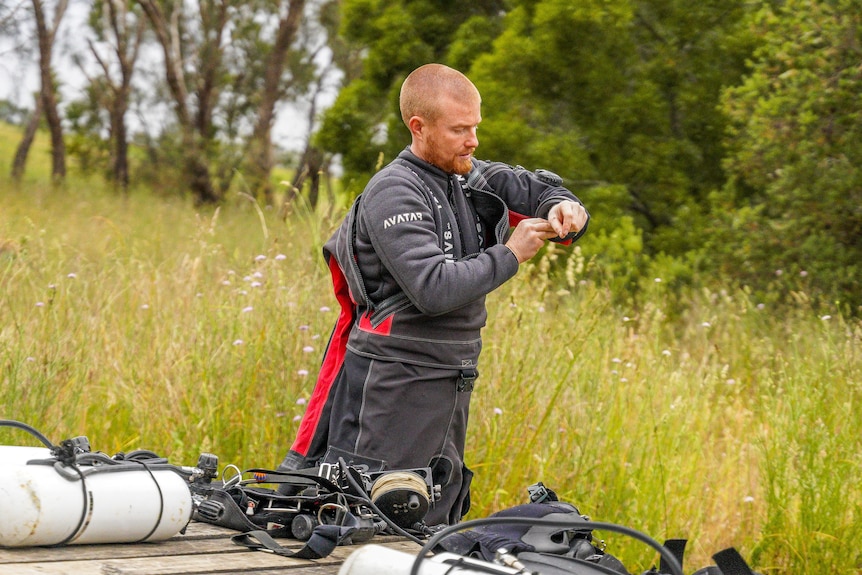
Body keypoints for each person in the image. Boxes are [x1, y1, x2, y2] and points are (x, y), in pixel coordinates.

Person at [276, 63, 590, 526]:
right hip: (391, 386)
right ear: (418, 128)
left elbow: (532, 188)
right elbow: (433, 288)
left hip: (453, 378)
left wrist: (566, 207)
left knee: (433, 523)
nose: (473, 141)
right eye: (460, 129)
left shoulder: (468, 175)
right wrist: (511, 253)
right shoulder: (393, 191)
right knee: (365, 520)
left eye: (476, 127)